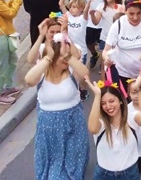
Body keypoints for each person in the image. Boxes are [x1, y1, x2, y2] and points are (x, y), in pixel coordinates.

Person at [24, 29, 90, 179]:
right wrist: (48, 58)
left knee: (73, 167)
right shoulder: (42, 73)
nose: (66, 61)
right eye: (62, 58)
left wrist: (68, 55)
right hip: (49, 132)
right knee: (53, 172)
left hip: (73, 125)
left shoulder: (71, 70)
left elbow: (85, 74)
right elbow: (28, 80)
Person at [84, 68, 141, 180]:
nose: (108, 106)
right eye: (103, 103)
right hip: (104, 175)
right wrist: (97, 96)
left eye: (111, 101)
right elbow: (92, 128)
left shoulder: (130, 118)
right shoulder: (101, 123)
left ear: (120, 101)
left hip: (130, 174)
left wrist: (138, 88)